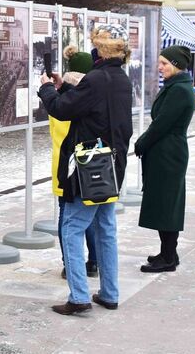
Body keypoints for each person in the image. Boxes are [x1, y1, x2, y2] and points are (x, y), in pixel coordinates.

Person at [38, 24, 133, 316]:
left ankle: (79, 296)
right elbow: (89, 106)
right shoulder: (120, 78)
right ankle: (109, 292)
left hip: (88, 166)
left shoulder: (96, 79)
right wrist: (65, 87)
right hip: (112, 165)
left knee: (72, 227)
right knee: (106, 228)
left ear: (100, 49)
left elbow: (62, 109)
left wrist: (46, 88)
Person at [134, 46, 195, 273]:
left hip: (169, 153)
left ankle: (168, 257)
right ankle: (168, 252)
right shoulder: (175, 86)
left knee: (167, 204)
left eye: (164, 63)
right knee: (164, 202)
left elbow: (162, 123)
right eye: (160, 62)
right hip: (166, 150)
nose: (160, 67)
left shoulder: (179, 90)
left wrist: (142, 142)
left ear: (177, 65)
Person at [47, 45, 98, 279]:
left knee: (66, 215)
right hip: (87, 162)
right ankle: (94, 261)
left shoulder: (60, 97)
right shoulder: (89, 97)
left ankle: (69, 263)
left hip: (63, 163)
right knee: (91, 216)